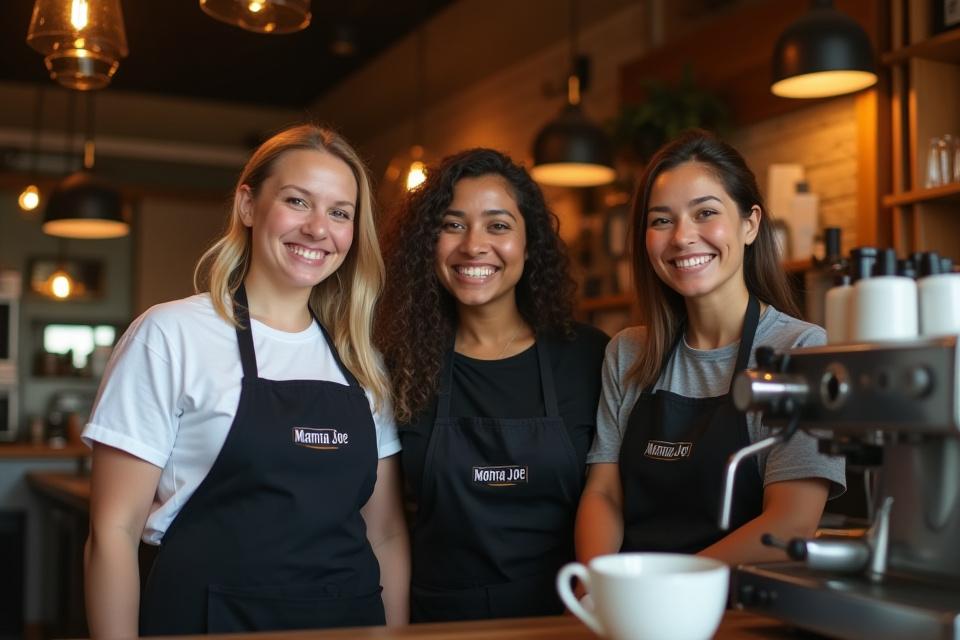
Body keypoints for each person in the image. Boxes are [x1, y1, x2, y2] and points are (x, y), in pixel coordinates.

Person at [83, 124, 409, 636]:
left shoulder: (361, 362)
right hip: (209, 620)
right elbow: (112, 531)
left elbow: (385, 533)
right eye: (298, 201)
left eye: (340, 212)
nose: (319, 228)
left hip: (349, 621)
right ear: (248, 205)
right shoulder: (171, 334)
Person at [576, 130, 845, 567]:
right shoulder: (628, 353)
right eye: (661, 220)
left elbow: (791, 522)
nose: (682, 237)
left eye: (705, 213)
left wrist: (669, 589)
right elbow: (604, 493)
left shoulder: (799, 349)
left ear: (750, 223)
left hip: (737, 609)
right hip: (628, 608)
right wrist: (598, 583)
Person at [377, 148, 608, 622]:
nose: (473, 245)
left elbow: (611, 498)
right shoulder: (397, 366)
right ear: (429, 243)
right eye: (453, 224)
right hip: (439, 621)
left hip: (565, 619)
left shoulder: (589, 357)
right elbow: (385, 528)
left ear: (529, 243)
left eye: (498, 226)